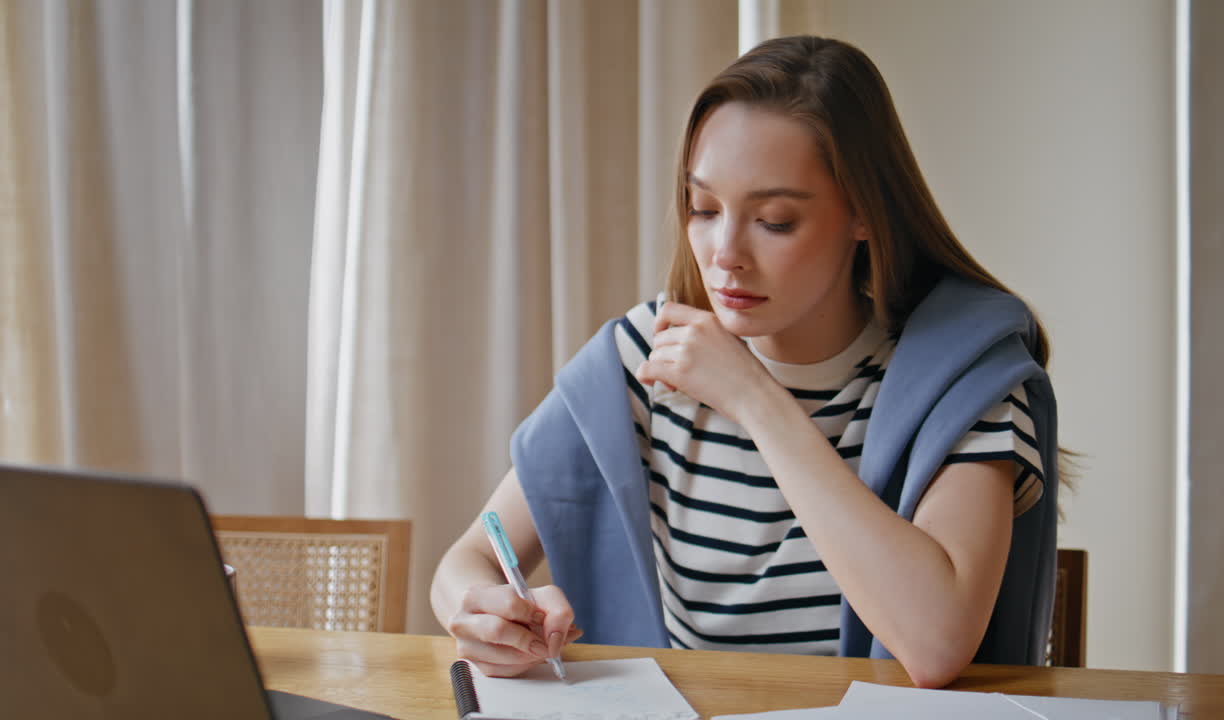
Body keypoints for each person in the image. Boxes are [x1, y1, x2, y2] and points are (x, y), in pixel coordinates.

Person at [430, 35, 1059, 690]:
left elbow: (936, 643)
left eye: (776, 220)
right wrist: (482, 613)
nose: (724, 252)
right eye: (703, 209)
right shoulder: (647, 354)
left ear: (865, 214)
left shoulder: (960, 379)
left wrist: (755, 400)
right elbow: (469, 557)